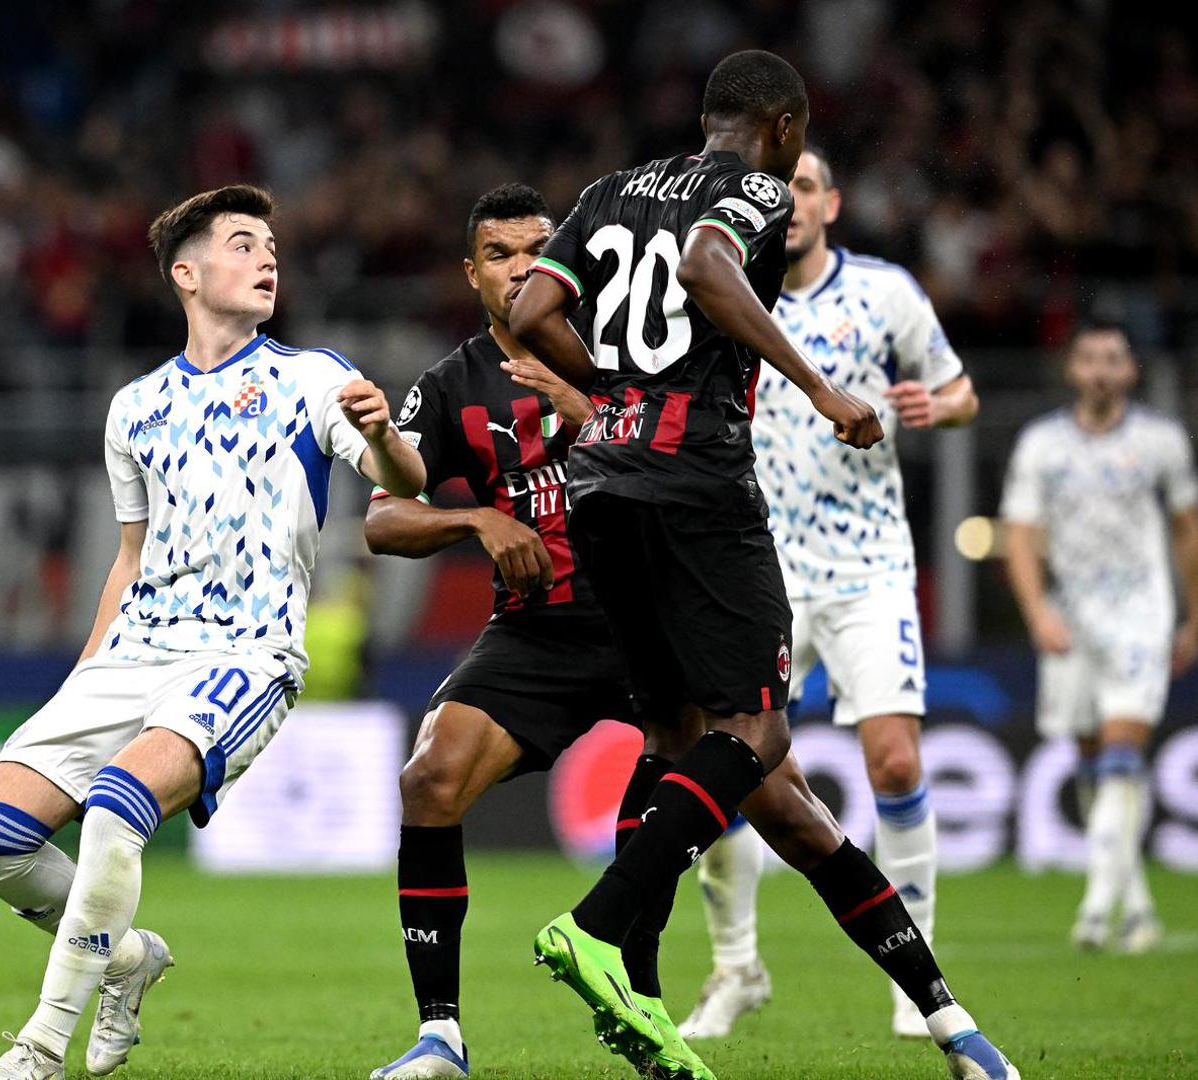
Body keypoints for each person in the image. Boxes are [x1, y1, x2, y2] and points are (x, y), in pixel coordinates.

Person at [510, 50, 1017, 1080]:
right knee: (759, 730)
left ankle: (925, 1024)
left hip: (600, 482)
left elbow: (528, 314)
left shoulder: (610, 190)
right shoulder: (751, 189)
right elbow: (704, 264)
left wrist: (615, 386)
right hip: (698, 486)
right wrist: (824, 390)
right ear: (782, 129)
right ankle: (603, 930)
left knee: (696, 753)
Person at [0, 184, 426, 1080]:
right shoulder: (133, 408)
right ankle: (128, 959)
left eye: (272, 249)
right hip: (135, 650)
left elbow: (400, 479)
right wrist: (86, 675)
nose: (267, 260)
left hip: (244, 655)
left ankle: (39, 1049)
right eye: (244, 244)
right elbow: (129, 557)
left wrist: (389, 436)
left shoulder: (312, 378)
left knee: (113, 813)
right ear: (186, 272)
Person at [682, 146, 980, 1041]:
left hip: (867, 566)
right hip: (758, 567)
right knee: (725, 768)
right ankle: (736, 970)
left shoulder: (886, 291)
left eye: (807, 187)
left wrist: (944, 408)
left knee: (893, 760)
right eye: (783, 189)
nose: (794, 201)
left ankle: (911, 966)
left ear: (833, 204)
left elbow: (957, 386)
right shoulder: (727, 288)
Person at [363, 183, 637, 1080]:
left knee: (776, 796)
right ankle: (439, 1035)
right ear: (472, 273)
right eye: (501, 254)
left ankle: (940, 1010)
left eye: (537, 250)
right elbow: (383, 520)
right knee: (430, 778)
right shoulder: (450, 384)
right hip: (537, 630)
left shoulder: (629, 348)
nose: (522, 268)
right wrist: (476, 521)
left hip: (652, 616)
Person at [1002, 321, 1198, 953]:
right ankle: (1136, 905)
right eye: (1089, 358)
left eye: (1114, 358)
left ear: (1131, 371)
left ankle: (1094, 908)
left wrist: (1192, 616)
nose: (1101, 369)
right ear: (1072, 370)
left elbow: (1187, 531)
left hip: (1142, 613)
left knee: (1121, 756)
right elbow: (1022, 536)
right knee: (1093, 764)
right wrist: (1037, 613)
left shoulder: (1161, 442)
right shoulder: (1041, 446)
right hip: (1070, 618)